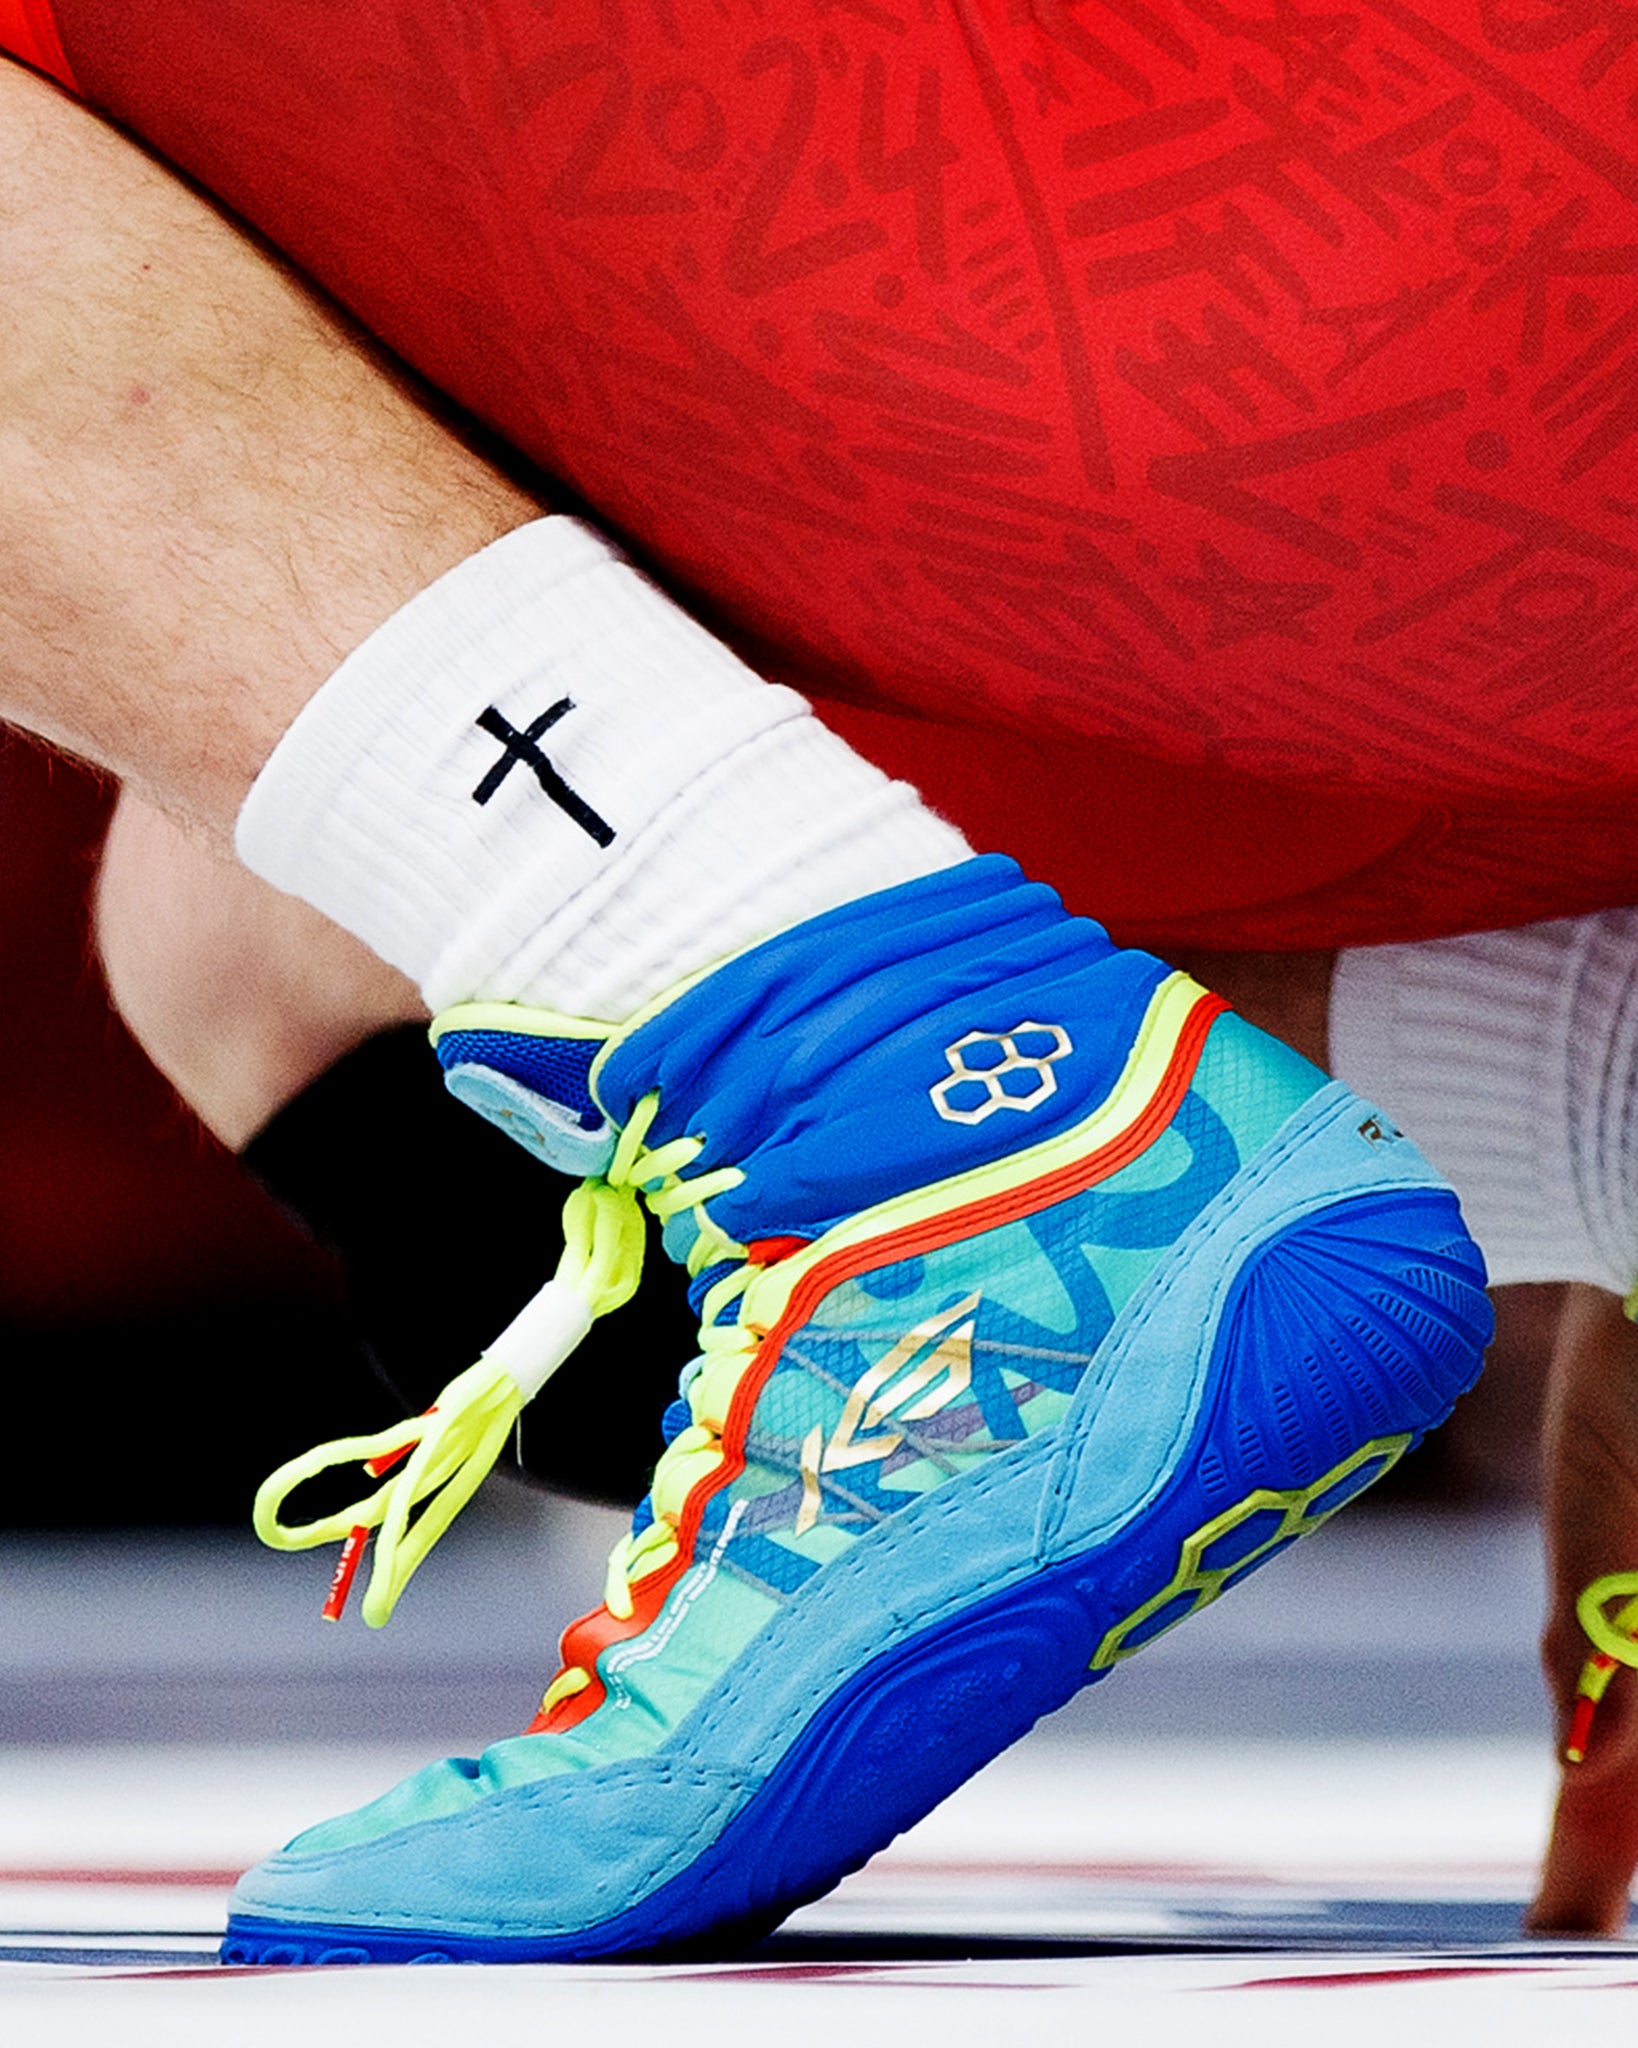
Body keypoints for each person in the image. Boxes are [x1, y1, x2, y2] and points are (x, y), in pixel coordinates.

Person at [0, 0, 1624, 1953]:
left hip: (1212, 308)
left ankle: (917, 1109)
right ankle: (1586, 1084)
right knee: (280, 907)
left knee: (293, 937)